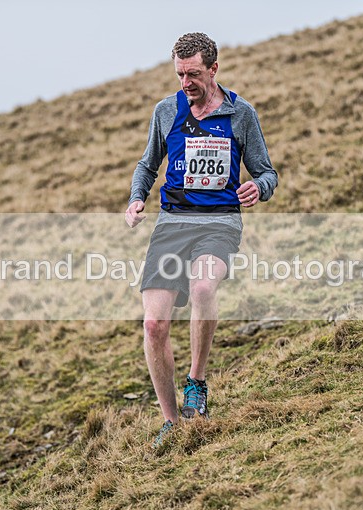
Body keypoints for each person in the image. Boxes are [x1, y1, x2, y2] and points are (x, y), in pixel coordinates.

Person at [125, 32, 277, 448]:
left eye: (193, 74)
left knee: (204, 286)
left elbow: (267, 172)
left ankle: (197, 380)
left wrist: (257, 188)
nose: (185, 82)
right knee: (154, 325)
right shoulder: (165, 111)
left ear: (213, 69)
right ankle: (173, 421)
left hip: (219, 223)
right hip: (172, 223)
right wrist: (137, 198)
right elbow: (147, 164)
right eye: (179, 74)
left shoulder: (240, 113)